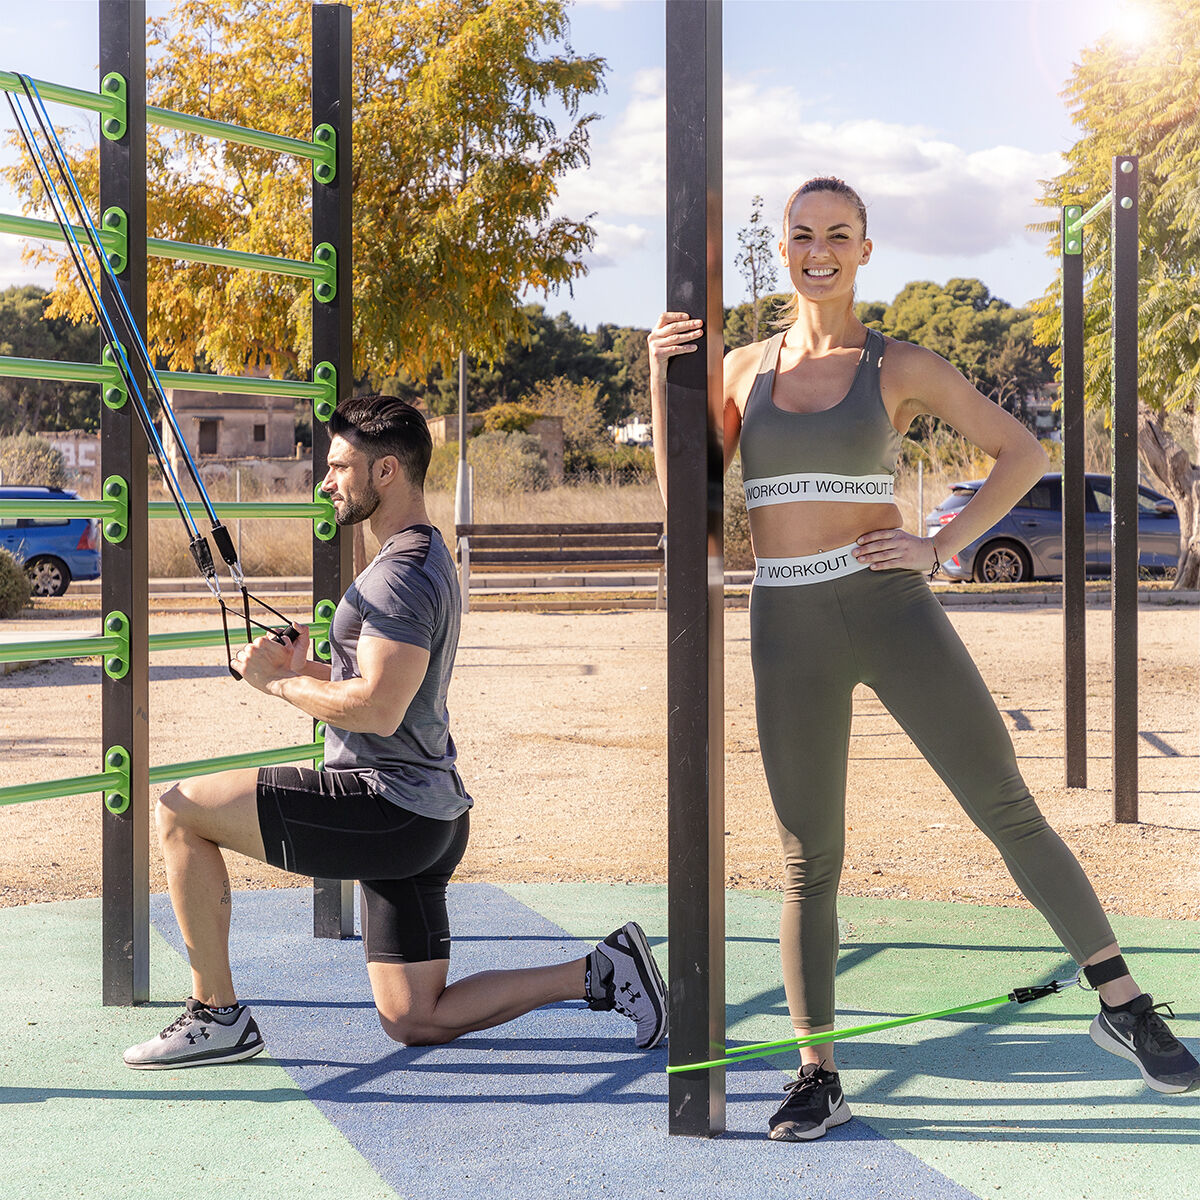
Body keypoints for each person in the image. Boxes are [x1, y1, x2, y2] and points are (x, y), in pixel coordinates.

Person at [648, 177, 1199, 1141]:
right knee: (808, 856)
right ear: (786, 249)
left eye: (839, 235)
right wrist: (665, 383)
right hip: (788, 622)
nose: (819, 249)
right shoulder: (740, 371)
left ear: (866, 249)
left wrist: (938, 551)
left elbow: (1021, 454)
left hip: (891, 606)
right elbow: (684, 505)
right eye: (803, 235)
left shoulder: (896, 364)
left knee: (1007, 806)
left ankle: (1122, 1004)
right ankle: (818, 1071)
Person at [124, 394, 666, 1070]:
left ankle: (216, 1015)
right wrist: (311, 666)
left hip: (388, 805)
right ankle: (602, 971)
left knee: (179, 813)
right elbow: (383, 684)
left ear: (385, 473)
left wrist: (278, 685)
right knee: (414, 1016)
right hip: (422, 814)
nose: (325, 482)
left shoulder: (400, 577)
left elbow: (378, 709)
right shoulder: (418, 556)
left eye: (339, 467)